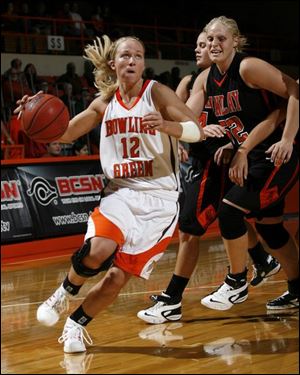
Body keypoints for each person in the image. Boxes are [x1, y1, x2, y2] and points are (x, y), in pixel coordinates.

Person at [15, 34, 207, 353]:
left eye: (138, 56)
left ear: (143, 64)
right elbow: (62, 134)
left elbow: (196, 130)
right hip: (121, 192)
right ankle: (64, 293)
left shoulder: (157, 93)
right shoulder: (104, 103)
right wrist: (29, 119)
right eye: (125, 56)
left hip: (159, 202)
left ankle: (75, 325)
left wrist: (168, 126)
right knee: (98, 249)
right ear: (113, 63)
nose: (131, 61)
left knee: (116, 279)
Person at [137, 30, 281, 324]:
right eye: (199, 44)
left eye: (208, 43)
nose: (201, 49)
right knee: (219, 219)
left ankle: (173, 298)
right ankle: (260, 259)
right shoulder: (193, 82)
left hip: (216, 162)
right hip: (205, 158)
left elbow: (246, 119)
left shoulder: (236, 78)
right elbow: (181, 119)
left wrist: (231, 142)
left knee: (193, 227)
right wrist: (182, 133)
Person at [185, 16, 298, 311]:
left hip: (279, 152)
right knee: (270, 230)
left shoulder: (247, 67)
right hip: (255, 153)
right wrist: (232, 145)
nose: (214, 44)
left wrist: (286, 139)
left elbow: (294, 90)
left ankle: (236, 282)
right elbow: (186, 116)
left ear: (236, 40)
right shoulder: (209, 79)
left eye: (221, 38)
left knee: (229, 211)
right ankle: (297, 290)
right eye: (210, 39)